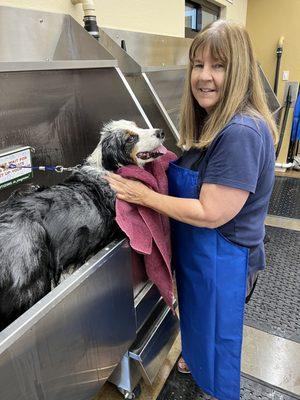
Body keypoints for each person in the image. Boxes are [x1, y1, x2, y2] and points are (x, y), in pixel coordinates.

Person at [106, 20, 277, 400]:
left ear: (240, 71)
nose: (204, 76)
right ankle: (197, 361)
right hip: (206, 257)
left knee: (217, 339)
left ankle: (213, 385)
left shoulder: (240, 133)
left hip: (224, 261)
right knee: (200, 327)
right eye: (198, 65)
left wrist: (143, 196)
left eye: (218, 65)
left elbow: (211, 212)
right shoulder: (216, 122)